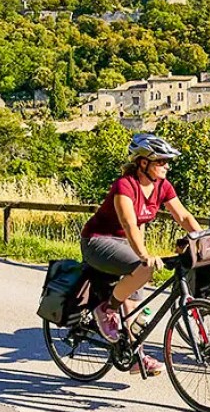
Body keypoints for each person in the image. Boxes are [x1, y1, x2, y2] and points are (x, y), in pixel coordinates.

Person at [80, 133, 203, 375]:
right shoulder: (125, 185)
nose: (166, 166)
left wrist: (203, 238)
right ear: (143, 163)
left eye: (167, 161)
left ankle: (137, 356)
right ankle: (106, 309)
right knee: (143, 268)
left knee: (135, 312)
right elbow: (128, 223)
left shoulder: (162, 186)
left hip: (127, 246)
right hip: (99, 241)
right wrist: (145, 254)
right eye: (161, 161)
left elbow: (184, 217)